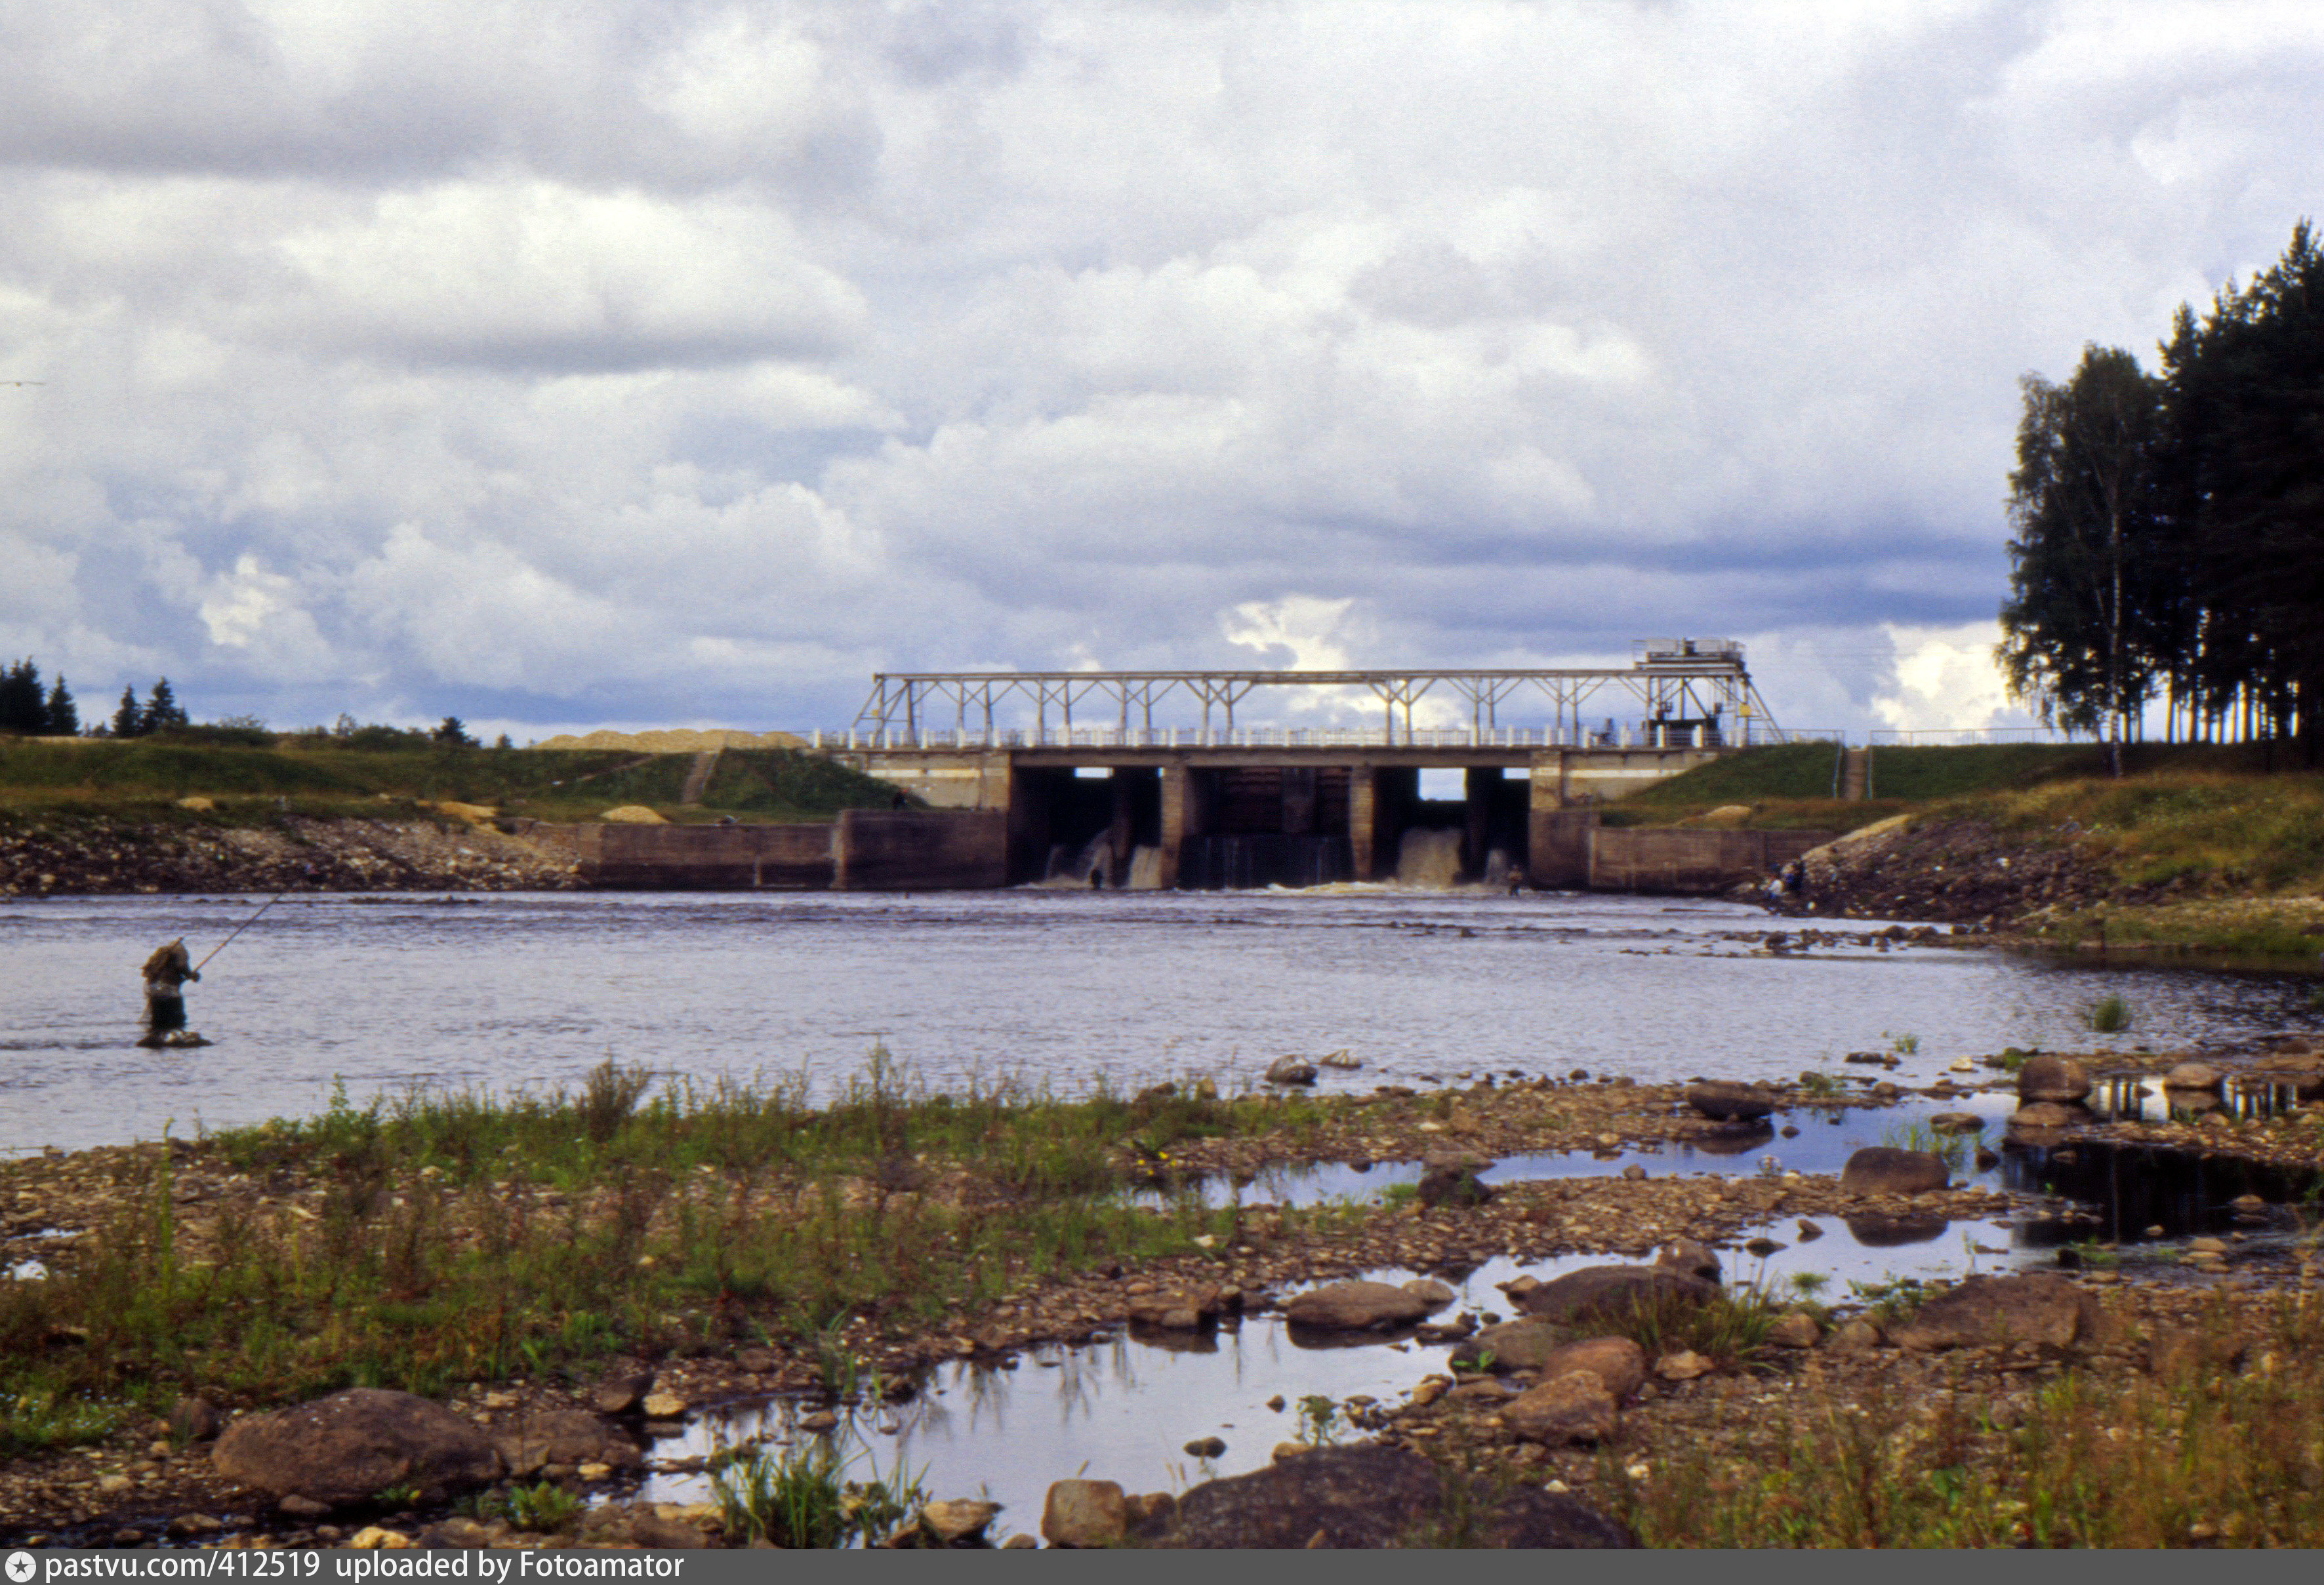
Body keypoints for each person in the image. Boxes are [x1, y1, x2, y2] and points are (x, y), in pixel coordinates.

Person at [142, 938, 198, 1032]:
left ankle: (157, 1038)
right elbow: (189, 974)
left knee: (158, 1023)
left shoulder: (159, 958)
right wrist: (195, 976)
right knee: (177, 1022)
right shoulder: (180, 956)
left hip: (154, 993)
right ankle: (176, 1036)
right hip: (170, 995)